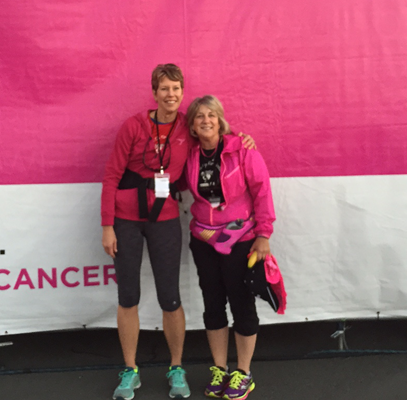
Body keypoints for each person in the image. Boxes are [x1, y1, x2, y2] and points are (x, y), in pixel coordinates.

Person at [101, 65, 255, 400]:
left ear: (182, 92)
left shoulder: (187, 125)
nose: (170, 94)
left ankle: (176, 367)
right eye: (164, 88)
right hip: (126, 219)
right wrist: (107, 226)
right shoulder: (133, 126)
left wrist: (241, 140)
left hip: (166, 218)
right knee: (128, 296)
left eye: (176, 88)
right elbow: (111, 175)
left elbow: (213, 134)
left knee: (170, 297)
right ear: (154, 93)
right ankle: (130, 370)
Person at [184, 95, 276, 400]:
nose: (206, 121)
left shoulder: (243, 150)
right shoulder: (190, 155)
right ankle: (220, 369)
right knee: (212, 304)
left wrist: (263, 234)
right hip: (203, 240)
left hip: (241, 239)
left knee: (241, 303)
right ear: (192, 126)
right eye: (199, 116)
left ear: (220, 119)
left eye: (211, 115)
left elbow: (262, 191)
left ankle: (243, 373)